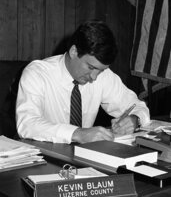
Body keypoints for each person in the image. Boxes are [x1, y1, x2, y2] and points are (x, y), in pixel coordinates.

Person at [16, 20, 150, 144]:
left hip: (85, 158)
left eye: (101, 71)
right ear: (74, 51)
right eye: (91, 67)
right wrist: (77, 133)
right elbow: (27, 124)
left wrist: (134, 120)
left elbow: (137, 106)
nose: (94, 77)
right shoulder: (37, 73)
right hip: (45, 157)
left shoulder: (103, 76)